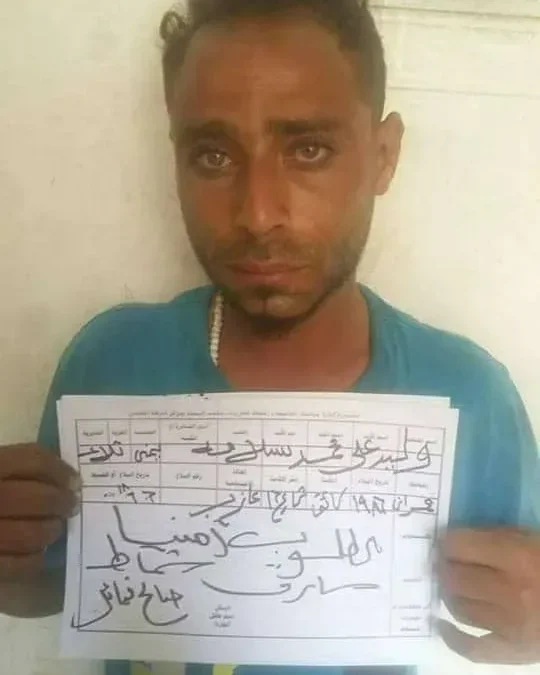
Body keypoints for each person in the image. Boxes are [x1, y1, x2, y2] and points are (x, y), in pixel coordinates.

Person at [1, 1, 539, 674]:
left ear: (383, 156)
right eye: (213, 154)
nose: (257, 213)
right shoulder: (109, 362)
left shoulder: (472, 397)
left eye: (308, 149)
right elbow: (65, 589)